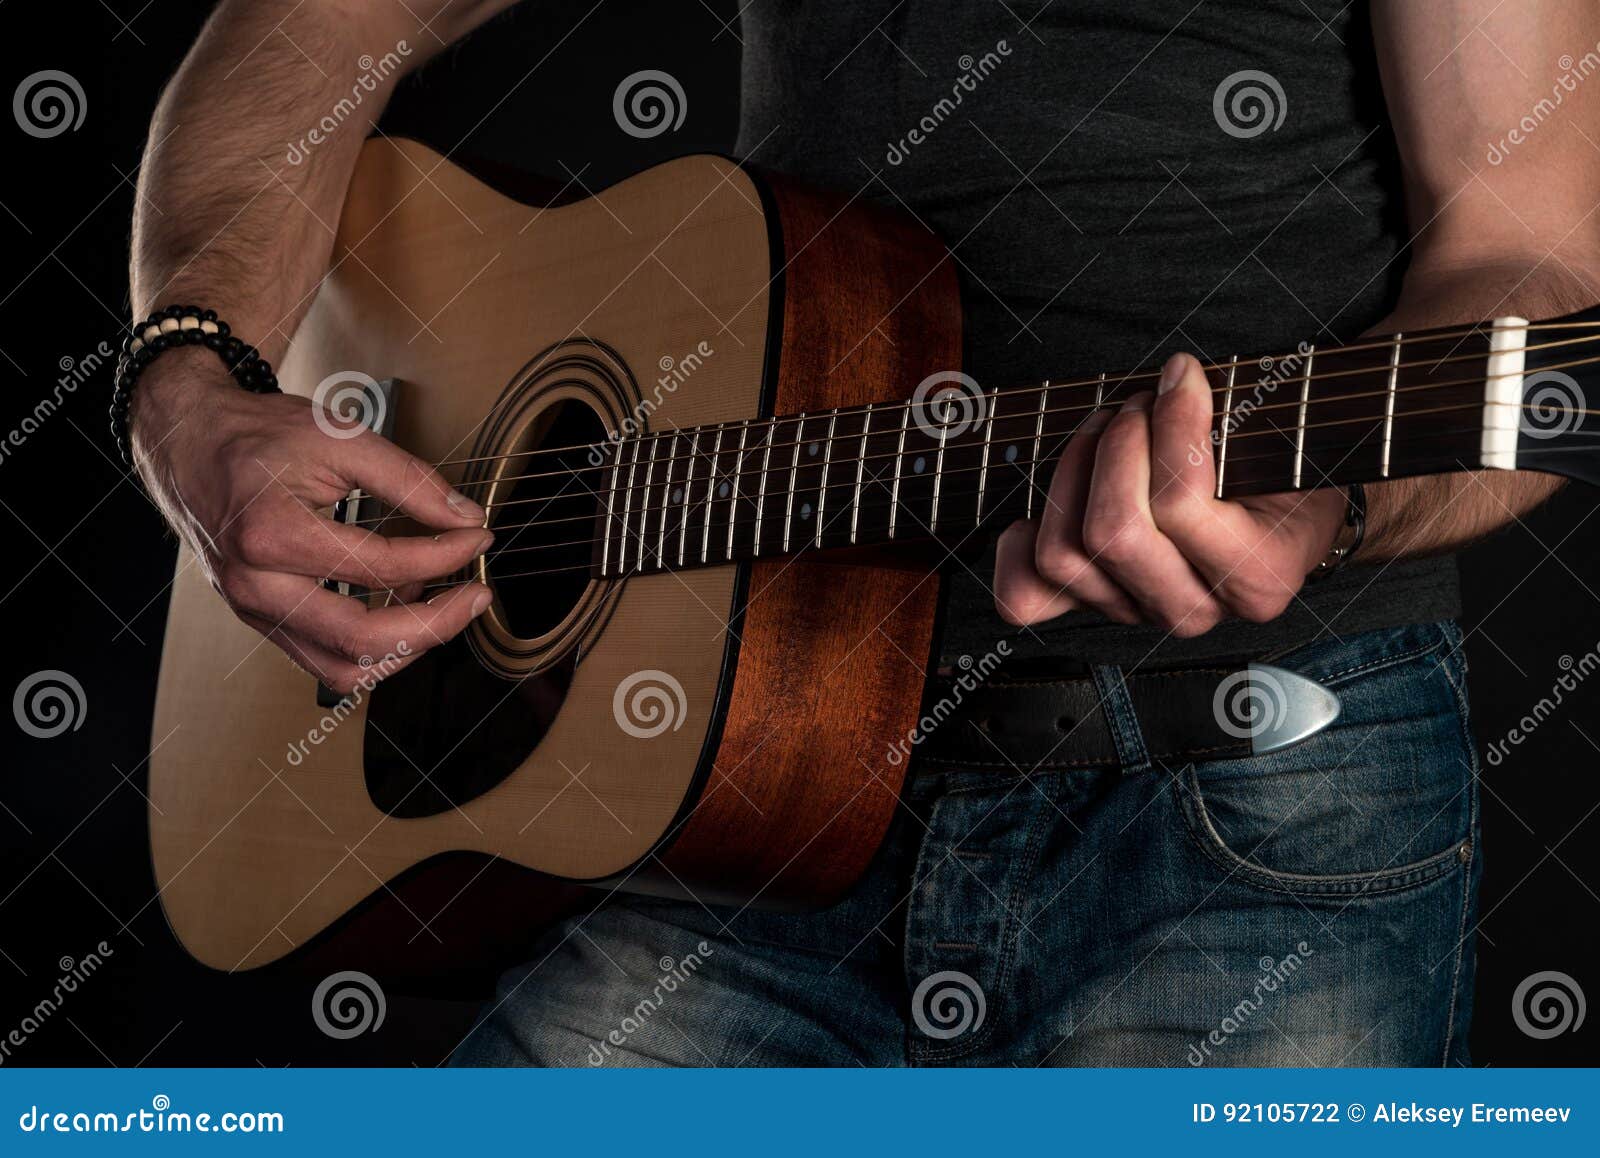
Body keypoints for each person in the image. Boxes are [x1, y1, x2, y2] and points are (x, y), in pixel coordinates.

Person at [127, 1, 1598, 1065]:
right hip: (749, 793)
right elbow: (309, 28)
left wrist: (1330, 497)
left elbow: (1524, 250)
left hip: (1247, 809)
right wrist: (190, 375)